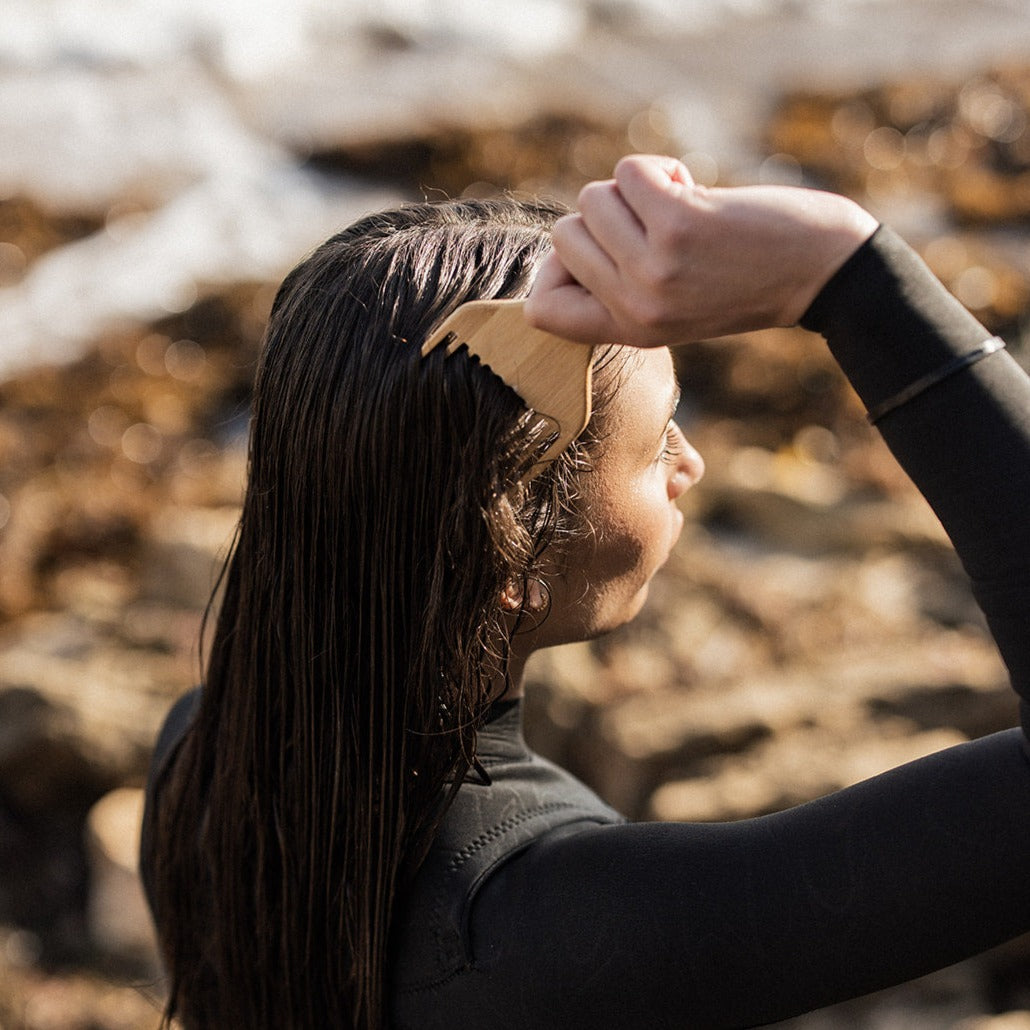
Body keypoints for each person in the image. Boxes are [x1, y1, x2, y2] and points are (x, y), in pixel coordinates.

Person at [140, 157, 1030, 1030]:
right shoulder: (567, 944)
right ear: (512, 560)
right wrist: (849, 276)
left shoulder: (200, 759)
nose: (692, 462)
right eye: (656, 442)